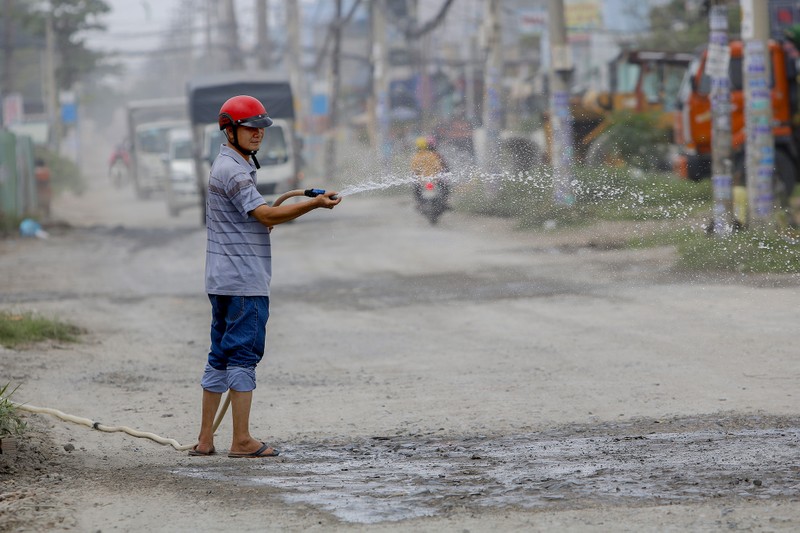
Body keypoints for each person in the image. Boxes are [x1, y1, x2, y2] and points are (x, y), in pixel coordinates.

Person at [191, 94, 341, 458]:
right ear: (229, 131)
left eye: (261, 127)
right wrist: (314, 204)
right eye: (249, 127)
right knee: (242, 356)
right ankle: (241, 441)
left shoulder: (230, 165)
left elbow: (254, 216)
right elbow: (267, 215)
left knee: (220, 357)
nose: (258, 133)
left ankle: (205, 439)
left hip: (222, 279)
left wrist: (271, 217)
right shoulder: (234, 170)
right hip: (244, 281)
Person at [410, 136, 450, 207]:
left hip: (422, 180)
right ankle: (444, 202)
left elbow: (414, 170)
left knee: (416, 190)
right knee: (445, 187)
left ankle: (419, 203)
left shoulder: (416, 157)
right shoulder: (433, 155)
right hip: (434, 179)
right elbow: (439, 167)